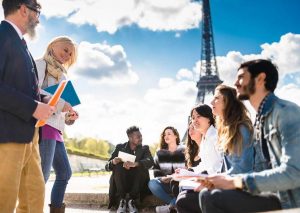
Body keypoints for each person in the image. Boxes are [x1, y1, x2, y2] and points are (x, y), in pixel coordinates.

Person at [199, 59, 300, 212]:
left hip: (288, 200)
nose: (236, 82)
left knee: (210, 197)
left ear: (260, 79)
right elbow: (259, 170)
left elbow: (294, 173)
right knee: (207, 194)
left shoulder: (286, 112)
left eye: (241, 77)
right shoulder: (260, 120)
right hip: (270, 193)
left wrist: (234, 182)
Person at [0, 0, 54, 212]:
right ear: (24, 9)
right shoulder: (2, 36)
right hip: (7, 136)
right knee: (4, 199)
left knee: (34, 196)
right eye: (37, 12)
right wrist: (33, 107)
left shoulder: (20, 42)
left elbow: (17, 84)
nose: (39, 19)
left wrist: (41, 99)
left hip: (29, 136)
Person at [35, 36, 79, 212]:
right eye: (65, 49)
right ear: (52, 45)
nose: (67, 55)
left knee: (65, 173)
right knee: (42, 176)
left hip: (56, 129)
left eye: (71, 54)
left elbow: (63, 111)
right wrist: (62, 104)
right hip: (43, 126)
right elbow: (34, 92)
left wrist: (70, 116)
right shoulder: (39, 65)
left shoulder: (63, 75)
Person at [105, 126, 154, 213]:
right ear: (130, 138)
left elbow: (150, 161)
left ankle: (132, 201)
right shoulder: (120, 147)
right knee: (118, 166)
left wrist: (136, 164)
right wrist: (113, 162)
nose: (141, 138)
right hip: (122, 182)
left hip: (137, 182)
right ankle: (122, 201)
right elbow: (107, 166)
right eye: (138, 136)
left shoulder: (145, 148)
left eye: (141, 136)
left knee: (141, 166)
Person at [148, 126, 185, 213]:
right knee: (152, 183)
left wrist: (177, 176)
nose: (166, 136)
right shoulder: (159, 153)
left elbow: (190, 168)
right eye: (164, 134)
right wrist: (162, 178)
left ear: (176, 136)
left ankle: (170, 206)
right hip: (167, 184)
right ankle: (173, 203)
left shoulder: (184, 150)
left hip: (181, 184)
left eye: (169, 134)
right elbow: (156, 173)